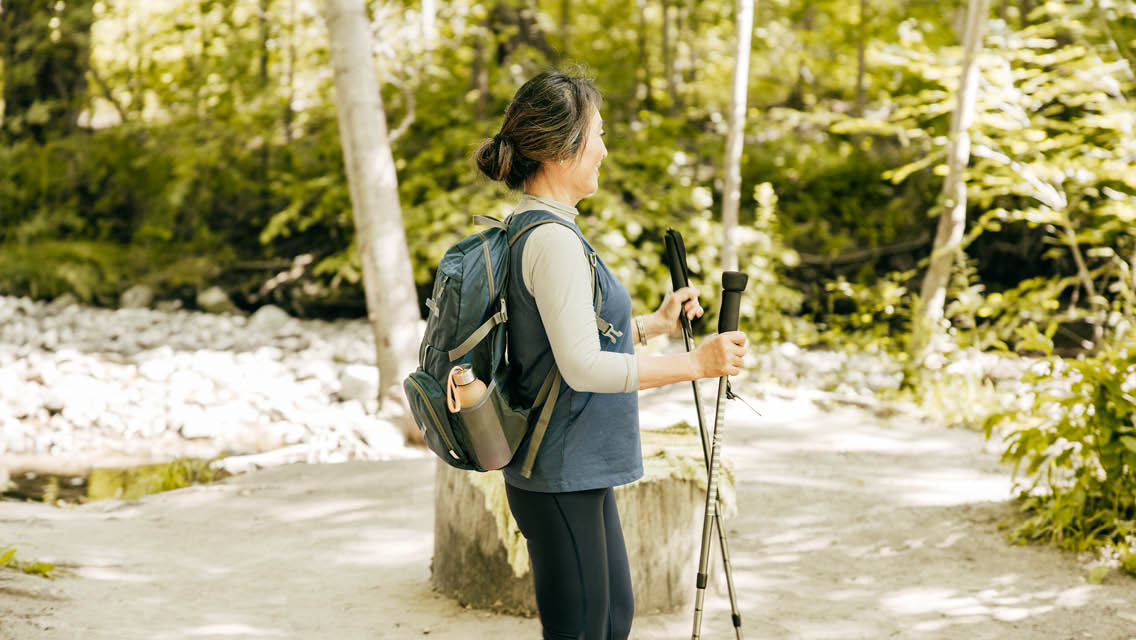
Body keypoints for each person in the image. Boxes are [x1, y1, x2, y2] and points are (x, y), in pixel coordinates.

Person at [472, 69, 748, 640]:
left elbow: (560, 340)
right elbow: (583, 366)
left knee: (611, 619)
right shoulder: (551, 239)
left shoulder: (542, 228)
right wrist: (697, 365)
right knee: (585, 629)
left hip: (574, 465)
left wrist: (653, 325)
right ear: (557, 147)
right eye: (596, 134)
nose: (604, 148)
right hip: (560, 466)